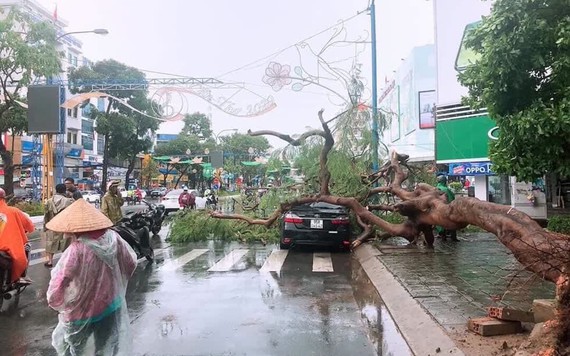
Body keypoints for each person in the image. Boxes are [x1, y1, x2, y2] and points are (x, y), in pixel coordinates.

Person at [46, 198, 137, 356]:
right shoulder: (114, 240)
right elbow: (130, 264)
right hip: (110, 306)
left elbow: (62, 279)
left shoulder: (77, 249)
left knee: (75, 350)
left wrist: (55, 300)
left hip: (80, 312)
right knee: (105, 348)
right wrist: (114, 284)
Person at [0, 188, 34, 284]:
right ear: (4, 198)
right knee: (24, 252)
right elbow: (30, 227)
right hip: (8, 248)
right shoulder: (14, 211)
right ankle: (19, 277)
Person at [44, 184, 74, 268]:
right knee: (66, 243)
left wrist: (45, 226)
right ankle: (65, 262)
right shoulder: (68, 201)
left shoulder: (49, 201)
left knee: (51, 242)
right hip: (65, 225)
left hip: (52, 224)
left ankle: (50, 261)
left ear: (55, 190)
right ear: (65, 190)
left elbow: (46, 215)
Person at [435, 175, 458, 241]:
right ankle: (453, 238)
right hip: (447, 209)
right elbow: (452, 199)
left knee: (440, 223)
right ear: (445, 181)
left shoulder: (434, 189)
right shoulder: (446, 189)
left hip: (437, 209)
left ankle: (443, 236)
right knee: (452, 222)